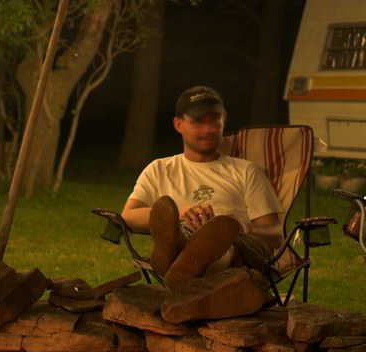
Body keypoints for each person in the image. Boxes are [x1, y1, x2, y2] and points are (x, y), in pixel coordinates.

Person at [121, 86, 283, 288]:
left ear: (224, 121)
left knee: (220, 233)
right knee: (185, 233)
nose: (209, 130)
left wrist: (240, 228)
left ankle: (179, 259)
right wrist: (179, 213)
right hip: (186, 240)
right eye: (198, 122)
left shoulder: (246, 171)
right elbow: (128, 217)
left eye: (215, 121)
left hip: (242, 251)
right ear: (178, 124)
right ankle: (182, 248)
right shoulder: (159, 169)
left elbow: (276, 234)